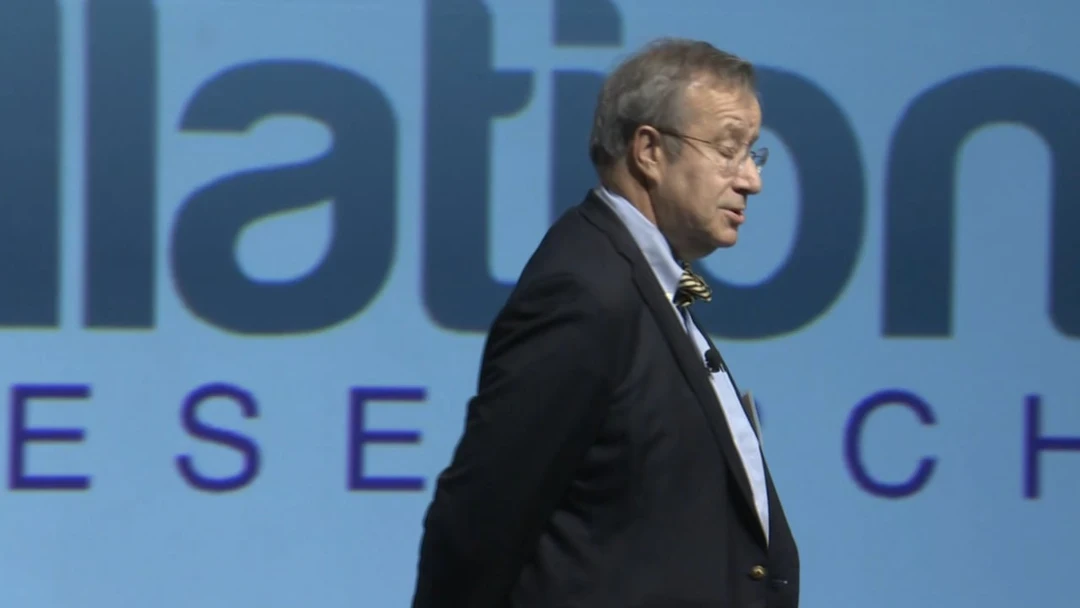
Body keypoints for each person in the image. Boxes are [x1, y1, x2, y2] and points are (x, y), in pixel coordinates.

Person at [412, 38, 799, 608]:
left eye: (753, 154)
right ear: (649, 151)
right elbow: (479, 518)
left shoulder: (646, 287)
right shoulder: (584, 294)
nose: (751, 180)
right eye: (727, 149)